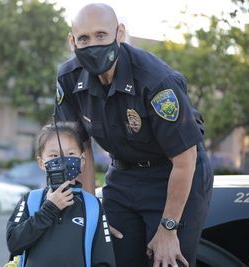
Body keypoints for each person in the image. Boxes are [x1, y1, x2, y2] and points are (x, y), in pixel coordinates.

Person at [54, 3, 214, 267]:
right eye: (84, 38)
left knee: (167, 259)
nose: (93, 44)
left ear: (119, 33)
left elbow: (185, 160)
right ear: (72, 41)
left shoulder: (155, 81)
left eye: (101, 35)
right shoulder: (69, 79)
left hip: (173, 174)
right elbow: (79, 149)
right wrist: (91, 211)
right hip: (123, 176)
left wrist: (168, 228)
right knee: (110, 257)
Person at [6, 121, 116, 267]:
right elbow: (14, 243)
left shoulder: (92, 205)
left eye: (71, 154)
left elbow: (104, 259)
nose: (63, 160)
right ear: (41, 163)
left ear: (82, 160)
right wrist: (49, 209)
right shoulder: (30, 200)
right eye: (54, 155)